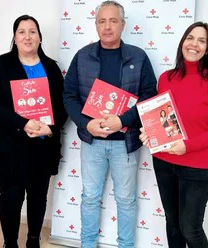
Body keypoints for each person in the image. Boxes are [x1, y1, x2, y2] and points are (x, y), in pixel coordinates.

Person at [63, 1, 157, 247]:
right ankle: (88, 244)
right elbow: (69, 95)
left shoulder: (138, 56)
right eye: (102, 21)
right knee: (90, 198)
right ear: (96, 25)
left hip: (124, 144)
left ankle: (126, 245)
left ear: (123, 24)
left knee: (126, 200)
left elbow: (149, 95)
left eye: (113, 21)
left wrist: (123, 120)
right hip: (92, 141)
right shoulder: (82, 56)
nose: (107, 27)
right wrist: (85, 124)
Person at [139, 22, 208, 248]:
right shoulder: (166, 78)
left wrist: (186, 146)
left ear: (207, 49)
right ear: (182, 43)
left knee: (190, 227)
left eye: (201, 41)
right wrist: (149, 133)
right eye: (190, 38)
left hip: (198, 168)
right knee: (173, 224)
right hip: (164, 162)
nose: (194, 44)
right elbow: (161, 118)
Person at [0, 15, 67, 248]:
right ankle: (10, 243)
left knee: (38, 197)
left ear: (40, 37)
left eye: (32, 31)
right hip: (10, 146)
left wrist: (50, 128)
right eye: (22, 32)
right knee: (10, 196)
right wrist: (23, 122)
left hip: (42, 145)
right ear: (14, 37)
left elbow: (63, 105)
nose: (27, 36)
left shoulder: (51, 67)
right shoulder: (1, 65)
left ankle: (33, 239)